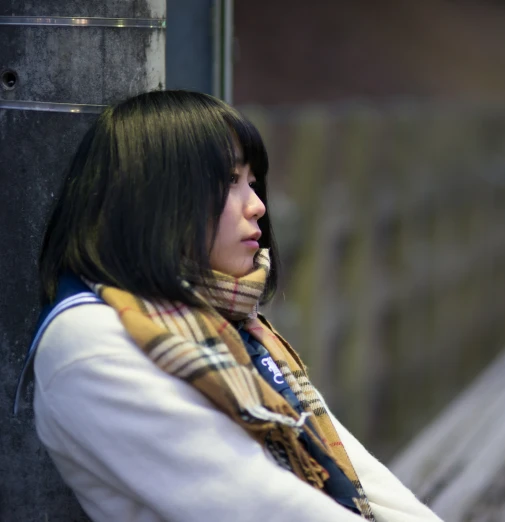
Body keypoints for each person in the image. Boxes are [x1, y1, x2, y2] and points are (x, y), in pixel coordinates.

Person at [20, 90, 442, 522]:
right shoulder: (90, 343)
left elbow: (356, 474)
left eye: (252, 183)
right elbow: (259, 506)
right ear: (155, 195)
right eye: (228, 182)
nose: (258, 206)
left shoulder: (223, 323)